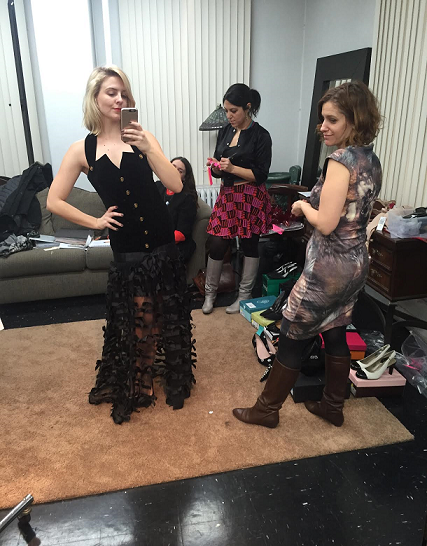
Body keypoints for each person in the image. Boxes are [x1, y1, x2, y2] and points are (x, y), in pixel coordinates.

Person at [47, 65, 195, 424]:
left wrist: (148, 148)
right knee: (139, 315)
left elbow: (176, 184)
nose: (119, 99)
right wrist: (96, 222)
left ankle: (157, 375)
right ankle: (141, 377)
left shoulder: (142, 137)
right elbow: (54, 200)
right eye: (111, 92)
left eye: (123, 93)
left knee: (161, 312)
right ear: (94, 98)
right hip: (126, 243)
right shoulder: (81, 150)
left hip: (160, 237)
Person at [233, 81, 382, 429]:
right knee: (335, 329)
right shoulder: (369, 158)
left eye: (332, 120)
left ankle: (266, 410)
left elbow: (326, 223)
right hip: (355, 263)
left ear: (355, 120)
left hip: (328, 268)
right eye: (322, 119)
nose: (322, 127)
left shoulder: (340, 161)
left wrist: (302, 206)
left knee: (290, 333)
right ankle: (332, 406)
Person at [203, 83, 272, 315]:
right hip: (227, 195)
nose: (229, 116)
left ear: (247, 107)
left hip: (250, 196)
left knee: (249, 245)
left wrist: (232, 168)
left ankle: (244, 295)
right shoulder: (225, 130)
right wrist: (216, 168)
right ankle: (210, 293)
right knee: (217, 243)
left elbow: (261, 175)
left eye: (234, 111)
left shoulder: (261, 136)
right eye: (226, 111)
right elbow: (218, 165)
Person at [156, 156, 198, 264]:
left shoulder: (187, 198)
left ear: (184, 178)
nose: (174, 171)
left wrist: (156, 241)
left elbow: (181, 234)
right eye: (173, 167)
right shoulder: (157, 186)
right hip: (155, 241)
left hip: (175, 246)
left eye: (180, 171)